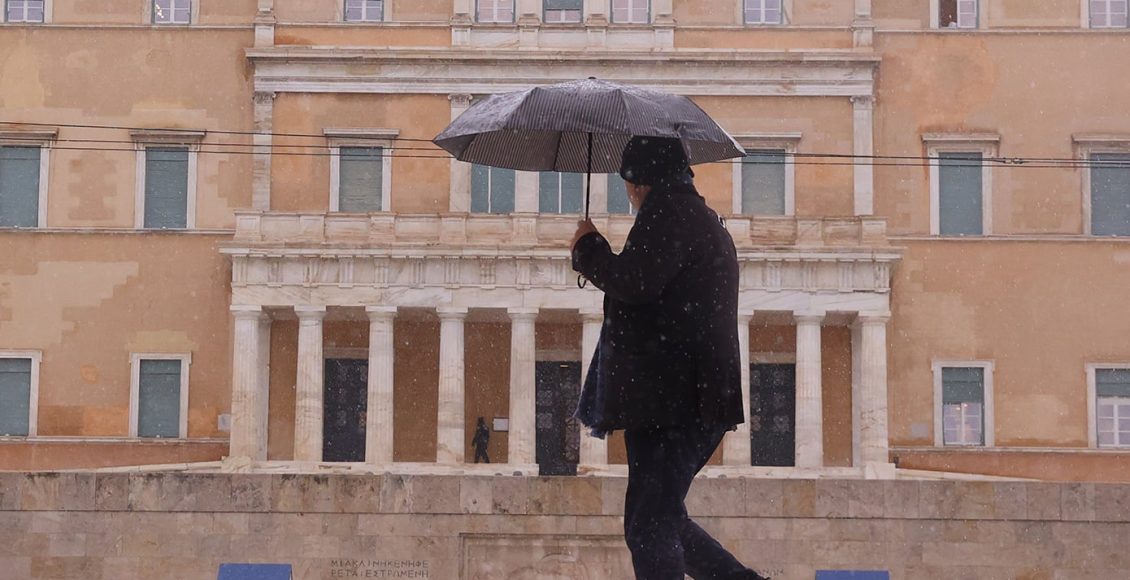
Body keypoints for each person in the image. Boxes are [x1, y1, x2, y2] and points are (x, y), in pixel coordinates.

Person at [570, 136, 769, 580]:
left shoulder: (667, 213)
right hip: (696, 396)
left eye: (628, 181)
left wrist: (587, 249)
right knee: (662, 515)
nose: (628, 192)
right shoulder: (701, 218)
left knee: (649, 523)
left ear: (639, 181)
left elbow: (635, 282)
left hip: (671, 400)